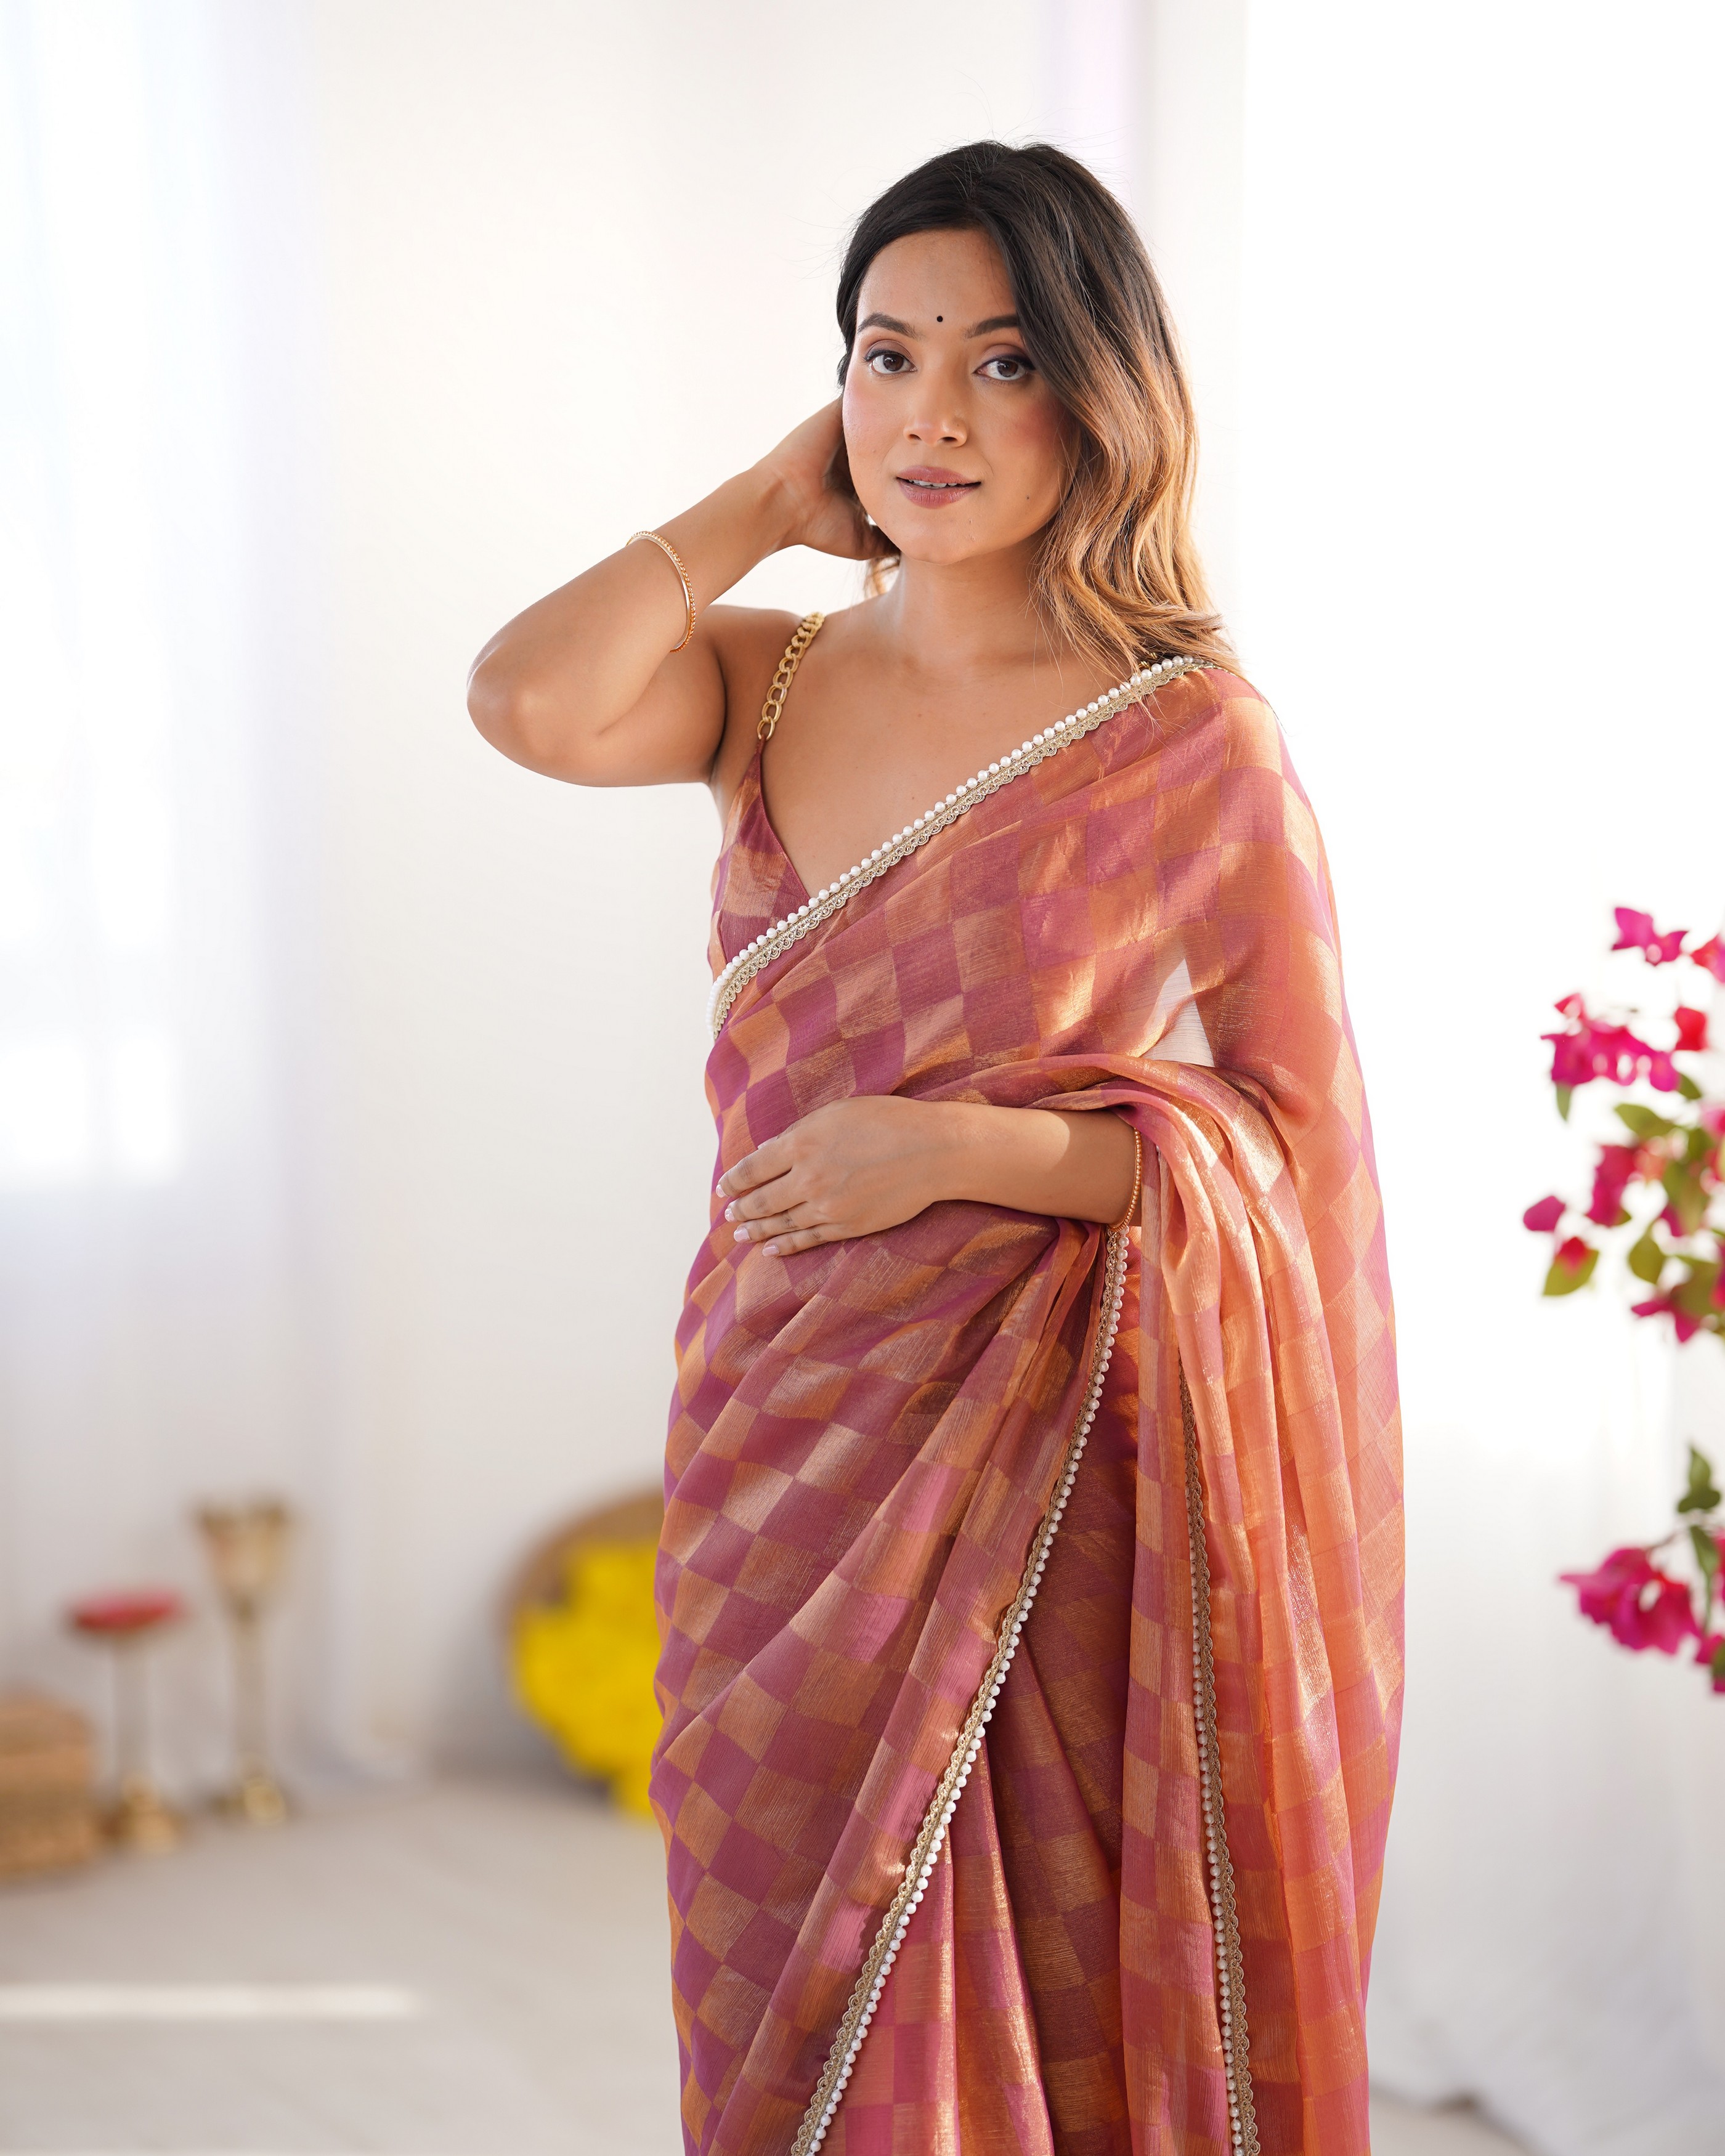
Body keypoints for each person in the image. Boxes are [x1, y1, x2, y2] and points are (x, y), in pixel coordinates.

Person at [469, 139, 1402, 2156]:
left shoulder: (1188, 738)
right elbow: (526, 699)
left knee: (1041, 1976)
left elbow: (1292, 1152)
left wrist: (962, 1146)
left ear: (1098, 392)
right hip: (780, 1418)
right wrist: (760, 501)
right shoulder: (766, 675)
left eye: (1001, 362)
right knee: (774, 1952)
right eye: (888, 358)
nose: (935, 418)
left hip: (1050, 1449)